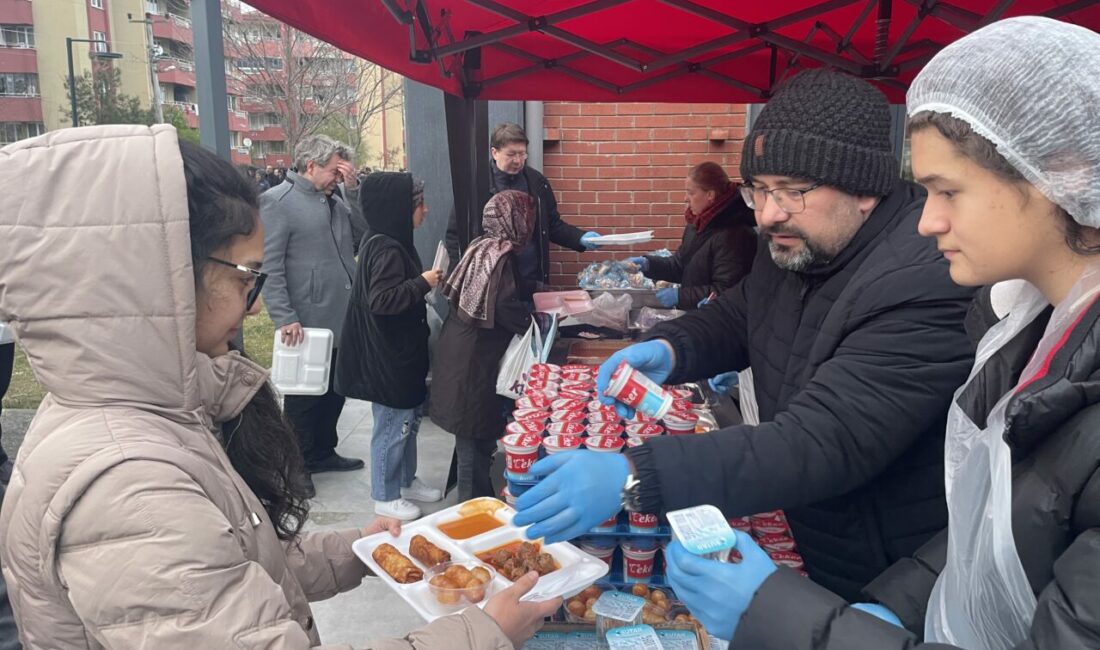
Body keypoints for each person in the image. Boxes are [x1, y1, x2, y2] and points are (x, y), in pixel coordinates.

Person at [0, 125, 560, 648]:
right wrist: (480, 633)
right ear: (155, 284)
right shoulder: (129, 489)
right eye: (248, 277)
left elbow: (235, 560)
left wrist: (361, 551)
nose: (252, 306)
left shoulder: (149, 412)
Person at [657, 17, 1100, 650]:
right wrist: (896, 608)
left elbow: (825, 439)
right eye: (924, 190)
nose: (928, 219)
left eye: (947, 190)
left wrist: (781, 617)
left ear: (1063, 174)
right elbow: (996, 525)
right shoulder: (1026, 327)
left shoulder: (939, 291)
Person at [513, 68, 977, 603]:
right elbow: (740, 313)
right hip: (811, 526)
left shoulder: (925, 279)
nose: (770, 212)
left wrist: (632, 474)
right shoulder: (800, 242)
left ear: (864, 188)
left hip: (887, 566)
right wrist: (673, 348)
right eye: (758, 189)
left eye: (793, 191)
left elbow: (822, 439)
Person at [261, 135, 368, 496]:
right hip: (305, 318)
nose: (338, 176)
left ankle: (323, 451)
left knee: (336, 389)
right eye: (333, 170)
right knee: (304, 398)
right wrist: (284, 315)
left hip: (342, 313)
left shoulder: (336, 198)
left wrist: (350, 190)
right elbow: (270, 267)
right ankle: (296, 465)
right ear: (310, 166)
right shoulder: (278, 203)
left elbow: (362, 235)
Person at [334, 173, 443, 522]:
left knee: (407, 422)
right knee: (392, 426)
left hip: (400, 353)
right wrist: (421, 283)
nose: (425, 211)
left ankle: (406, 481)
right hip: (387, 358)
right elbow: (382, 300)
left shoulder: (392, 240)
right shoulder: (385, 247)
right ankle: (384, 494)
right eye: (419, 205)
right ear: (399, 209)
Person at [431, 190, 537, 501]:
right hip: (472, 366)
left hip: (463, 357)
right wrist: (535, 320)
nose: (528, 223)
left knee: (474, 443)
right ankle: (471, 513)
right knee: (471, 451)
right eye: (525, 216)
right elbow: (505, 307)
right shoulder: (500, 255)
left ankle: (477, 502)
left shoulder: (482, 245)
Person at [446, 122, 603, 294]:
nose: (518, 161)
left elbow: (551, 225)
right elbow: (455, 236)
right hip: (490, 287)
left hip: (531, 282)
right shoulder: (475, 186)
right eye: (511, 154)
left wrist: (580, 238)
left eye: (522, 154)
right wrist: (461, 279)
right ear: (494, 153)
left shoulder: (537, 182)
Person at [625, 161, 756, 309]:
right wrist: (649, 264)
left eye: (691, 192)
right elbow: (680, 265)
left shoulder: (735, 235)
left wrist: (681, 296)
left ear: (710, 195)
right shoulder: (698, 225)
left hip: (718, 321)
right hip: (697, 317)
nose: (685, 198)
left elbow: (727, 290)